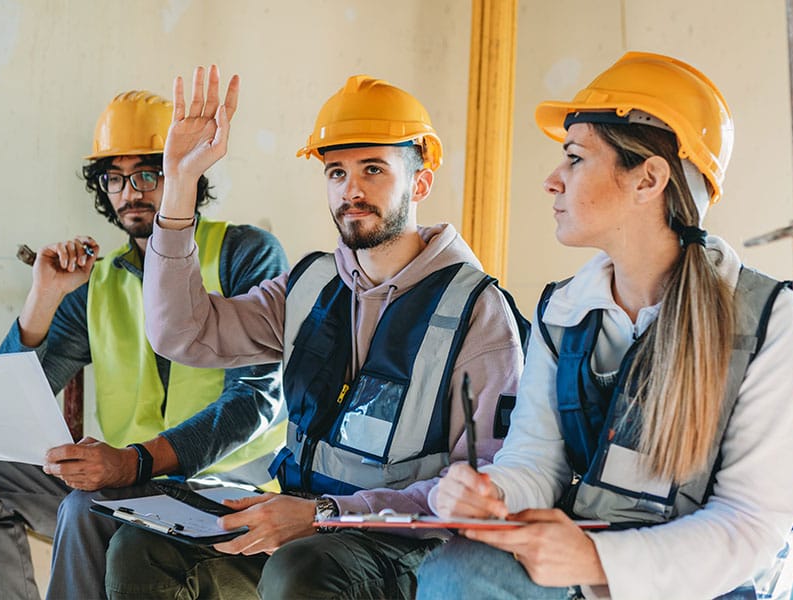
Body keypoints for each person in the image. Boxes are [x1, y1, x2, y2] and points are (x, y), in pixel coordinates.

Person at [102, 66, 527, 600]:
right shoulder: (310, 286)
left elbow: (484, 485)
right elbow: (182, 333)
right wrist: (181, 183)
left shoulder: (476, 311)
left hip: (406, 546)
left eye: (373, 169)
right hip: (299, 519)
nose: (352, 189)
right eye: (336, 172)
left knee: (300, 569)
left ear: (420, 182)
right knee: (142, 547)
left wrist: (327, 514)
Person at [416, 51, 793, 600]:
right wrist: (488, 492)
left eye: (575, 158)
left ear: (648, 179)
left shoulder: (770, 319)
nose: (552, 181)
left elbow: (750, 524)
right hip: (589, 570)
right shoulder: (563, 310)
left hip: (715, 589)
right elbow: (535, 463)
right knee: (457, 571)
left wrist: (595, 560)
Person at [0, 90, 290, 600]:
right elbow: (0, 412)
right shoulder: (98, 284)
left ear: (182, 172)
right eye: (114, 178)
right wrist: (43, 298)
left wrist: (135, 462)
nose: (129, 193)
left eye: (146, 174)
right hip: (128, 481)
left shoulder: (243, 253)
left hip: (226, 490)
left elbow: (254, 400)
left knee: (88, 507)